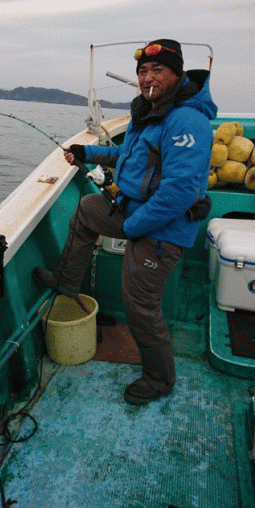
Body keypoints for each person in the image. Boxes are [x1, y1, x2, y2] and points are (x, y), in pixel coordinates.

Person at [34, 39, 218, 405]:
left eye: (158, 71)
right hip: (133, 210)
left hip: (162, 227)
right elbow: (126, 153)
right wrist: (89, 152)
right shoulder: (149, 110)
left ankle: (159, 378)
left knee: (140, 304)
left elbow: (179, 194)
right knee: (87, 210)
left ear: (177, 74)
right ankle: (67, 285)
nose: (148, 78)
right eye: (143, 72)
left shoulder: (187, 120)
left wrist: (134, 227)